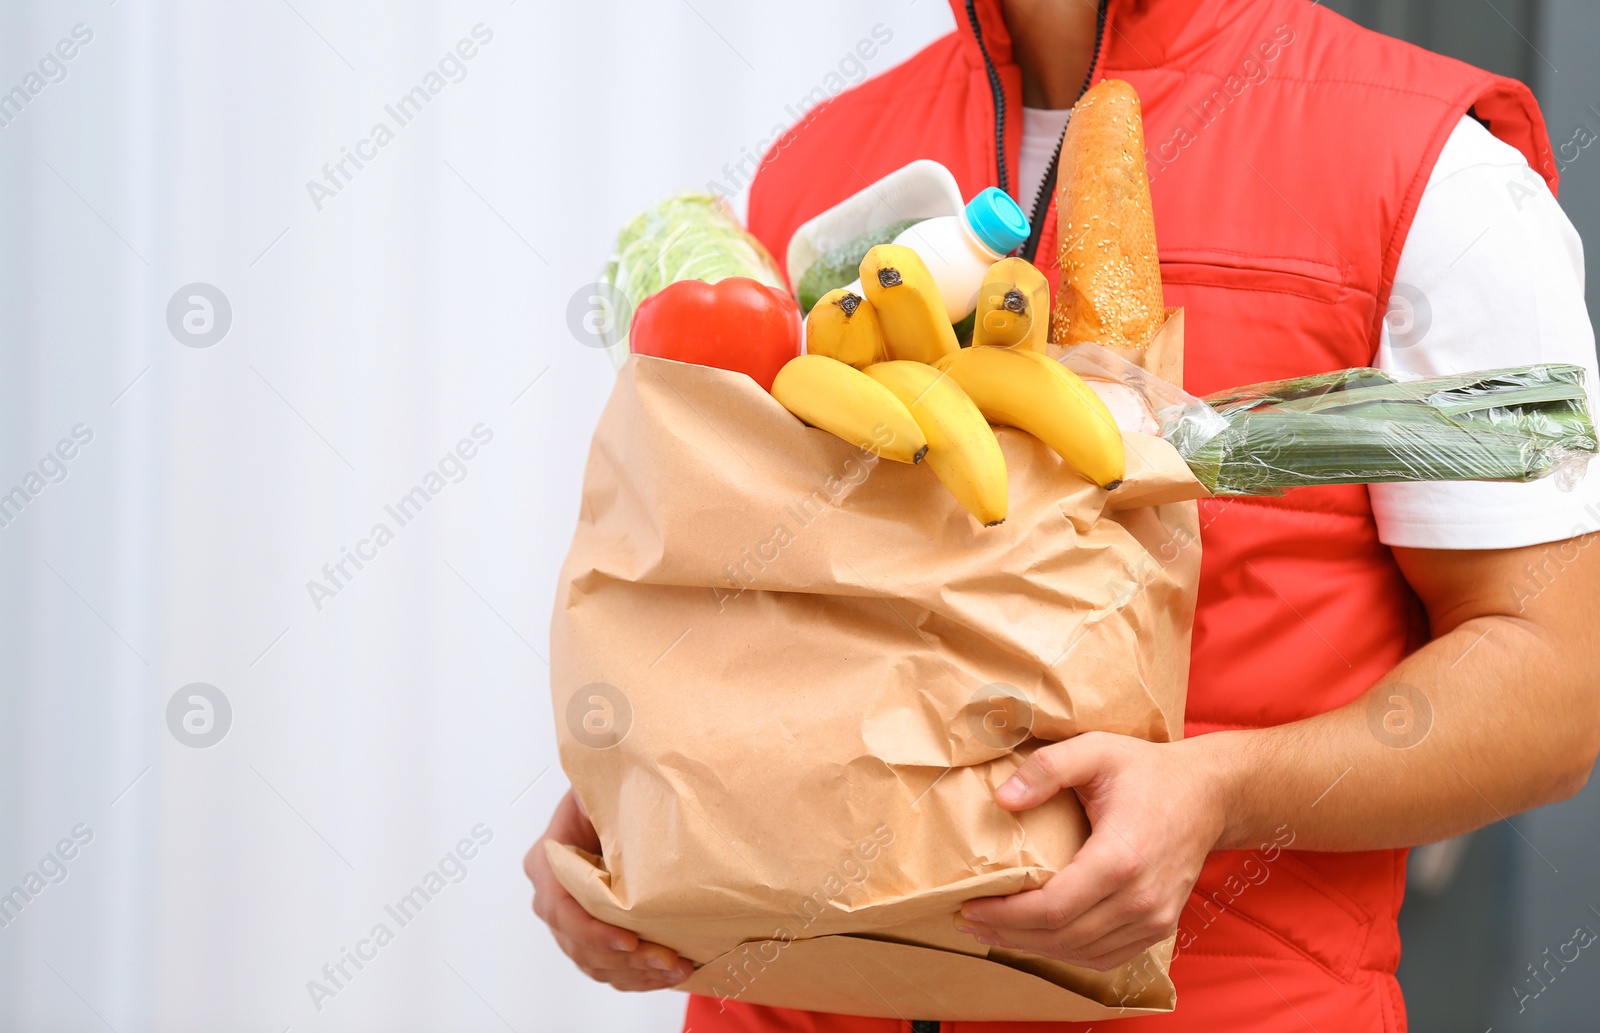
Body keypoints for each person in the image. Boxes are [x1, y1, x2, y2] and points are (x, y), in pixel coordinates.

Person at [527, 0, 1600, 1028]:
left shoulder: (1429, 171)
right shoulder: (821, 168)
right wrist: (635, 797)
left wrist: (1224, 792)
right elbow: (746, 586)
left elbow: (1553, 690)